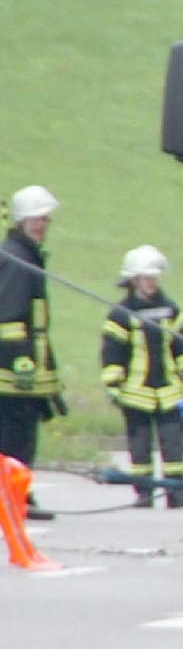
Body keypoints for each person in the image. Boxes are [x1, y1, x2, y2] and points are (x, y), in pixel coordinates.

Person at [100, 245, 183, 509]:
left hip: (169, 391)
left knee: (173, 444)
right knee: (140, 446)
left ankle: (176, 491)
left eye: (154, 277)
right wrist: (113, 385)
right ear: (134, 279)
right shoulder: (120, 314)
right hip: (135, 393)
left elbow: (181, 347)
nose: (152, 283)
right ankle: (144, 493)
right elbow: (112, 353)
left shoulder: (169, 309)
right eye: (146, 278)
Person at [0, 186, 62, 521]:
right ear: (22, 220)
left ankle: (17, 494)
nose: (42, 225)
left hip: (24, 371)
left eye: (45, 219)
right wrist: (20, 359)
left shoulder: (24, 255)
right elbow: (8, 316)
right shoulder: (17, 260)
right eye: (37, 219)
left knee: (19, 436)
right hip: (13, 373)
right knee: (15, 438)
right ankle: (14, 497)